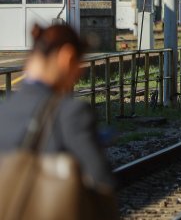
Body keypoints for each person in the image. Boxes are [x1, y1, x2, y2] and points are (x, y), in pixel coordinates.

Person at [0, 24, 117, 214]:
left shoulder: (4, 110)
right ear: (67, 57)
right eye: (78, 67)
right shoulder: (71, 113)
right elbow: (102, 183)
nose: (77, 75)